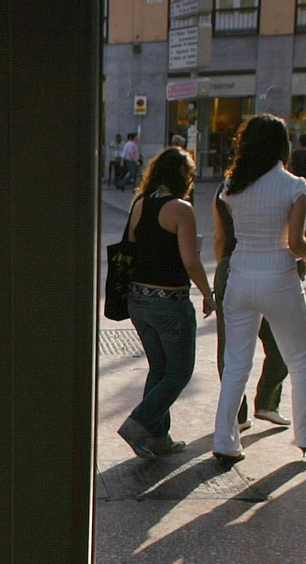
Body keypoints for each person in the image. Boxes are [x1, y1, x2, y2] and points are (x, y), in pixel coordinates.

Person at [212, 114, 306, 464]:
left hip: (239, 276)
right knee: (301, 358)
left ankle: (225, 440)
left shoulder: (231, 186)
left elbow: (223, 238)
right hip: (278, 277)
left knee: (236, 363)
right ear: (283, 145)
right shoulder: (294, 186)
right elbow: (294, 243)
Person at [115, 147, 216, 458]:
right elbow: (191, 261)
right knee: (179, 372)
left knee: (159, 369)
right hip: (169, 303)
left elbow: (131, 248)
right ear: (182, 176)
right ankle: (138, 423)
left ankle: (159, 438)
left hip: (138, 300)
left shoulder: (140, 204)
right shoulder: (181, 209)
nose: (192, 180)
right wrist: (208, 294)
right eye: (190, 174)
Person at [213, 181, 292, 433]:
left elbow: (220, 237)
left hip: (231, 264)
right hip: (269, 268)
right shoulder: (280, 185)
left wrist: (225, 266)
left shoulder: (225, 187)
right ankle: (267, 400)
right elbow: (288, 235)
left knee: (231, 347)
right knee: (283, 338)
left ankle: (238, 414)